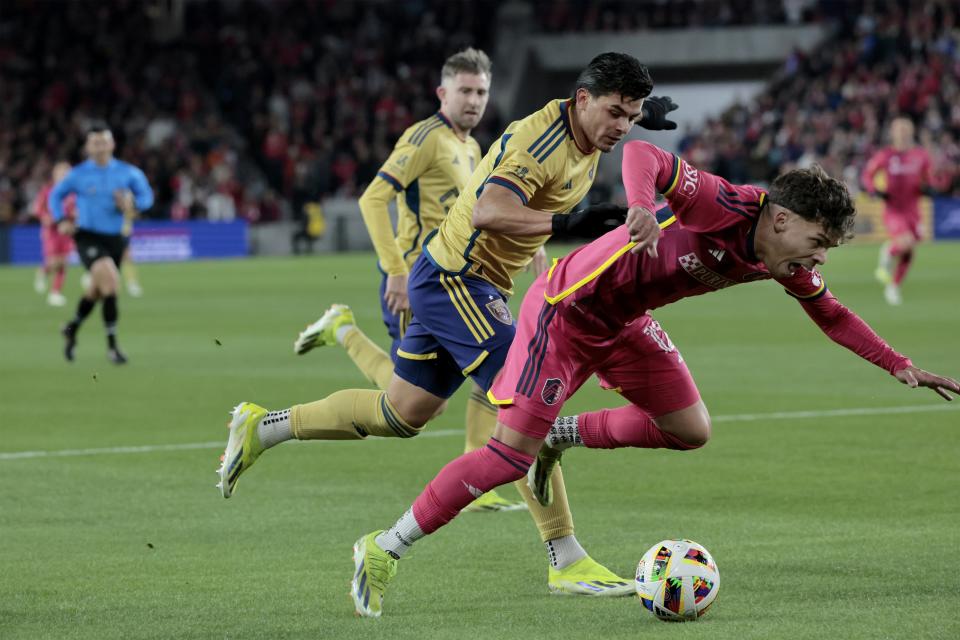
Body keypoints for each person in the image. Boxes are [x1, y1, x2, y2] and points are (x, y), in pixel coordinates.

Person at [352, 139, 960, 617]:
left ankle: (559, 437)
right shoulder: (725, 203)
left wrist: (898, 363)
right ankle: (386, 546)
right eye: (818, 240)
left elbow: (833, 314)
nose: (819, 257)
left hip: (624, 322)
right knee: (506, 458)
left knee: (690, 428)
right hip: (566, 311)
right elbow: (645, 154)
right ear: (780, 219)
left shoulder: (783, 260)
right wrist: (642, 205)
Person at [217, 53, 680, 611]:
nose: (622, 127)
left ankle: (262, 428)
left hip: (462, 280)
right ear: (582, 99)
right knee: (527, 408)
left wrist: (636, 112)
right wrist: (569, 225)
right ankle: (565, 555)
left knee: (402, 412)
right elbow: (488, 211)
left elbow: (548, 184)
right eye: (615, 113)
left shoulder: (589, 133)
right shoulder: (539, 142)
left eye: (630, 117)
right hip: (459, 280)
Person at [292, 48, 524, 512]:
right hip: (420, 282)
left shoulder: (472, 146)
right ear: (443, 92)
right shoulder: (424, 138)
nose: (474, 100)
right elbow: (372, 200)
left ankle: (480, 478)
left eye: (481, 91)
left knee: (497, 369)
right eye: (465, 91)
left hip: (461, 280)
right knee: (415, 405)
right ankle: (343, 330)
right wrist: (395, 269)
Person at [50, 122, 154, 364]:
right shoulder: (78, 174)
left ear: (112, 144)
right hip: (87, 236)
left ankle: (71, 329)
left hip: (115, 238)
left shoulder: (127, 172)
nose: (100, 147)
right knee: (112, 284)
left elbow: (146, 196)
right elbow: (56, 195)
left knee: (96, 291)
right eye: (95, 142)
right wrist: (62, 219)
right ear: (88, 146)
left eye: (104, 142)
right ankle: (113, 348)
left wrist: (133, 204)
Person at [861, 117, 934, 306]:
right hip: (894, 209)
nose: (902, 133)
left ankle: (893, 287)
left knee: (909, 251)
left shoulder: (921, 155)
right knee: (906, 242)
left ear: (910, 132)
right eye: (898, 130)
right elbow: (868, 175)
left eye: (905, 130)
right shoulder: (885, 155)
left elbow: (928, 179)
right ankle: (887, 251)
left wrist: (929, 187)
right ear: (893, 133)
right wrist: (873, 190)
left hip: (913, 211)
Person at [33, 161, 75, 307]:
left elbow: (76, 209)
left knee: (63, 262)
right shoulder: (47, 190)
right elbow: (37, 209)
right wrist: (45, 216)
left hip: (67, 230)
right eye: (62, 173)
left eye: (67, 173)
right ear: (55, 175)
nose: (65, 176)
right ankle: (44, 272)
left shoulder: (73, 192)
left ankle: (55, 293)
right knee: (54, 262)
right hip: (51, 231)